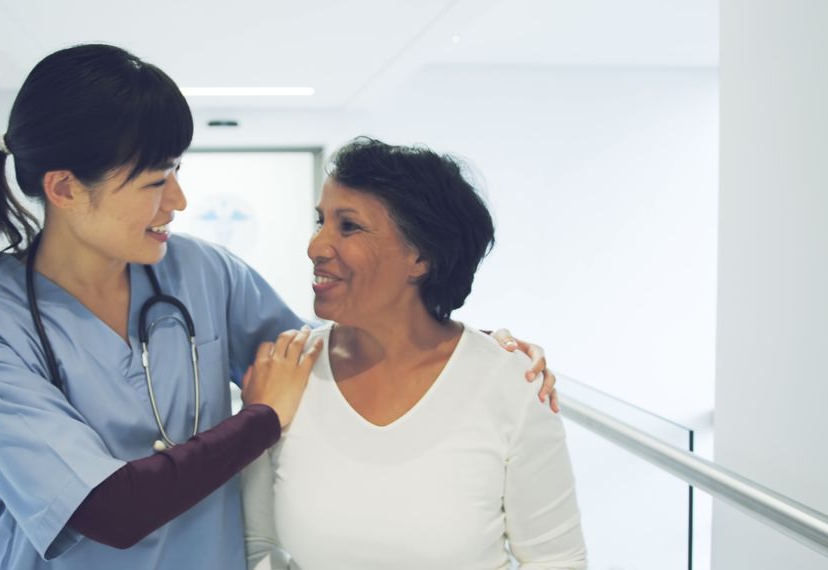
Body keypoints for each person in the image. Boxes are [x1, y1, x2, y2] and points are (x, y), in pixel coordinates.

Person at [0, 44, 558, 570]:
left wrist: (463, 349)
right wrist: (259, 418)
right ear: (65, 188)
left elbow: (329, 365)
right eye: (153, 182)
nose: (177, 199)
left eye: (175, 170)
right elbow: (106, 509)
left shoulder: (200, 271)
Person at [242, 138, 586, 569]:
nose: (316, 247)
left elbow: (556, 560)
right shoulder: (288, 371)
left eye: (348, 227)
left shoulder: (510, 384)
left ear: (420, 257)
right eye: (321, 222)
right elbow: (255, 545)